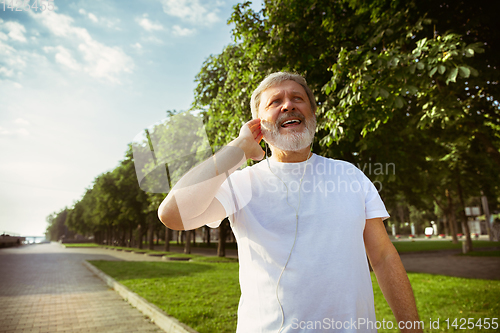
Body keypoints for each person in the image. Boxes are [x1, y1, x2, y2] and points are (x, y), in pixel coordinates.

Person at [158, 72, 422, 332]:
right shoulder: (241, 184)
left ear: (312, 114)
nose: (288, 105)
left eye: (298, 98)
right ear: (257, 123)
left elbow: (384, 257)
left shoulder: (350, 175)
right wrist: (239, 147)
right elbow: (172, 214)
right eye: (275, 102)